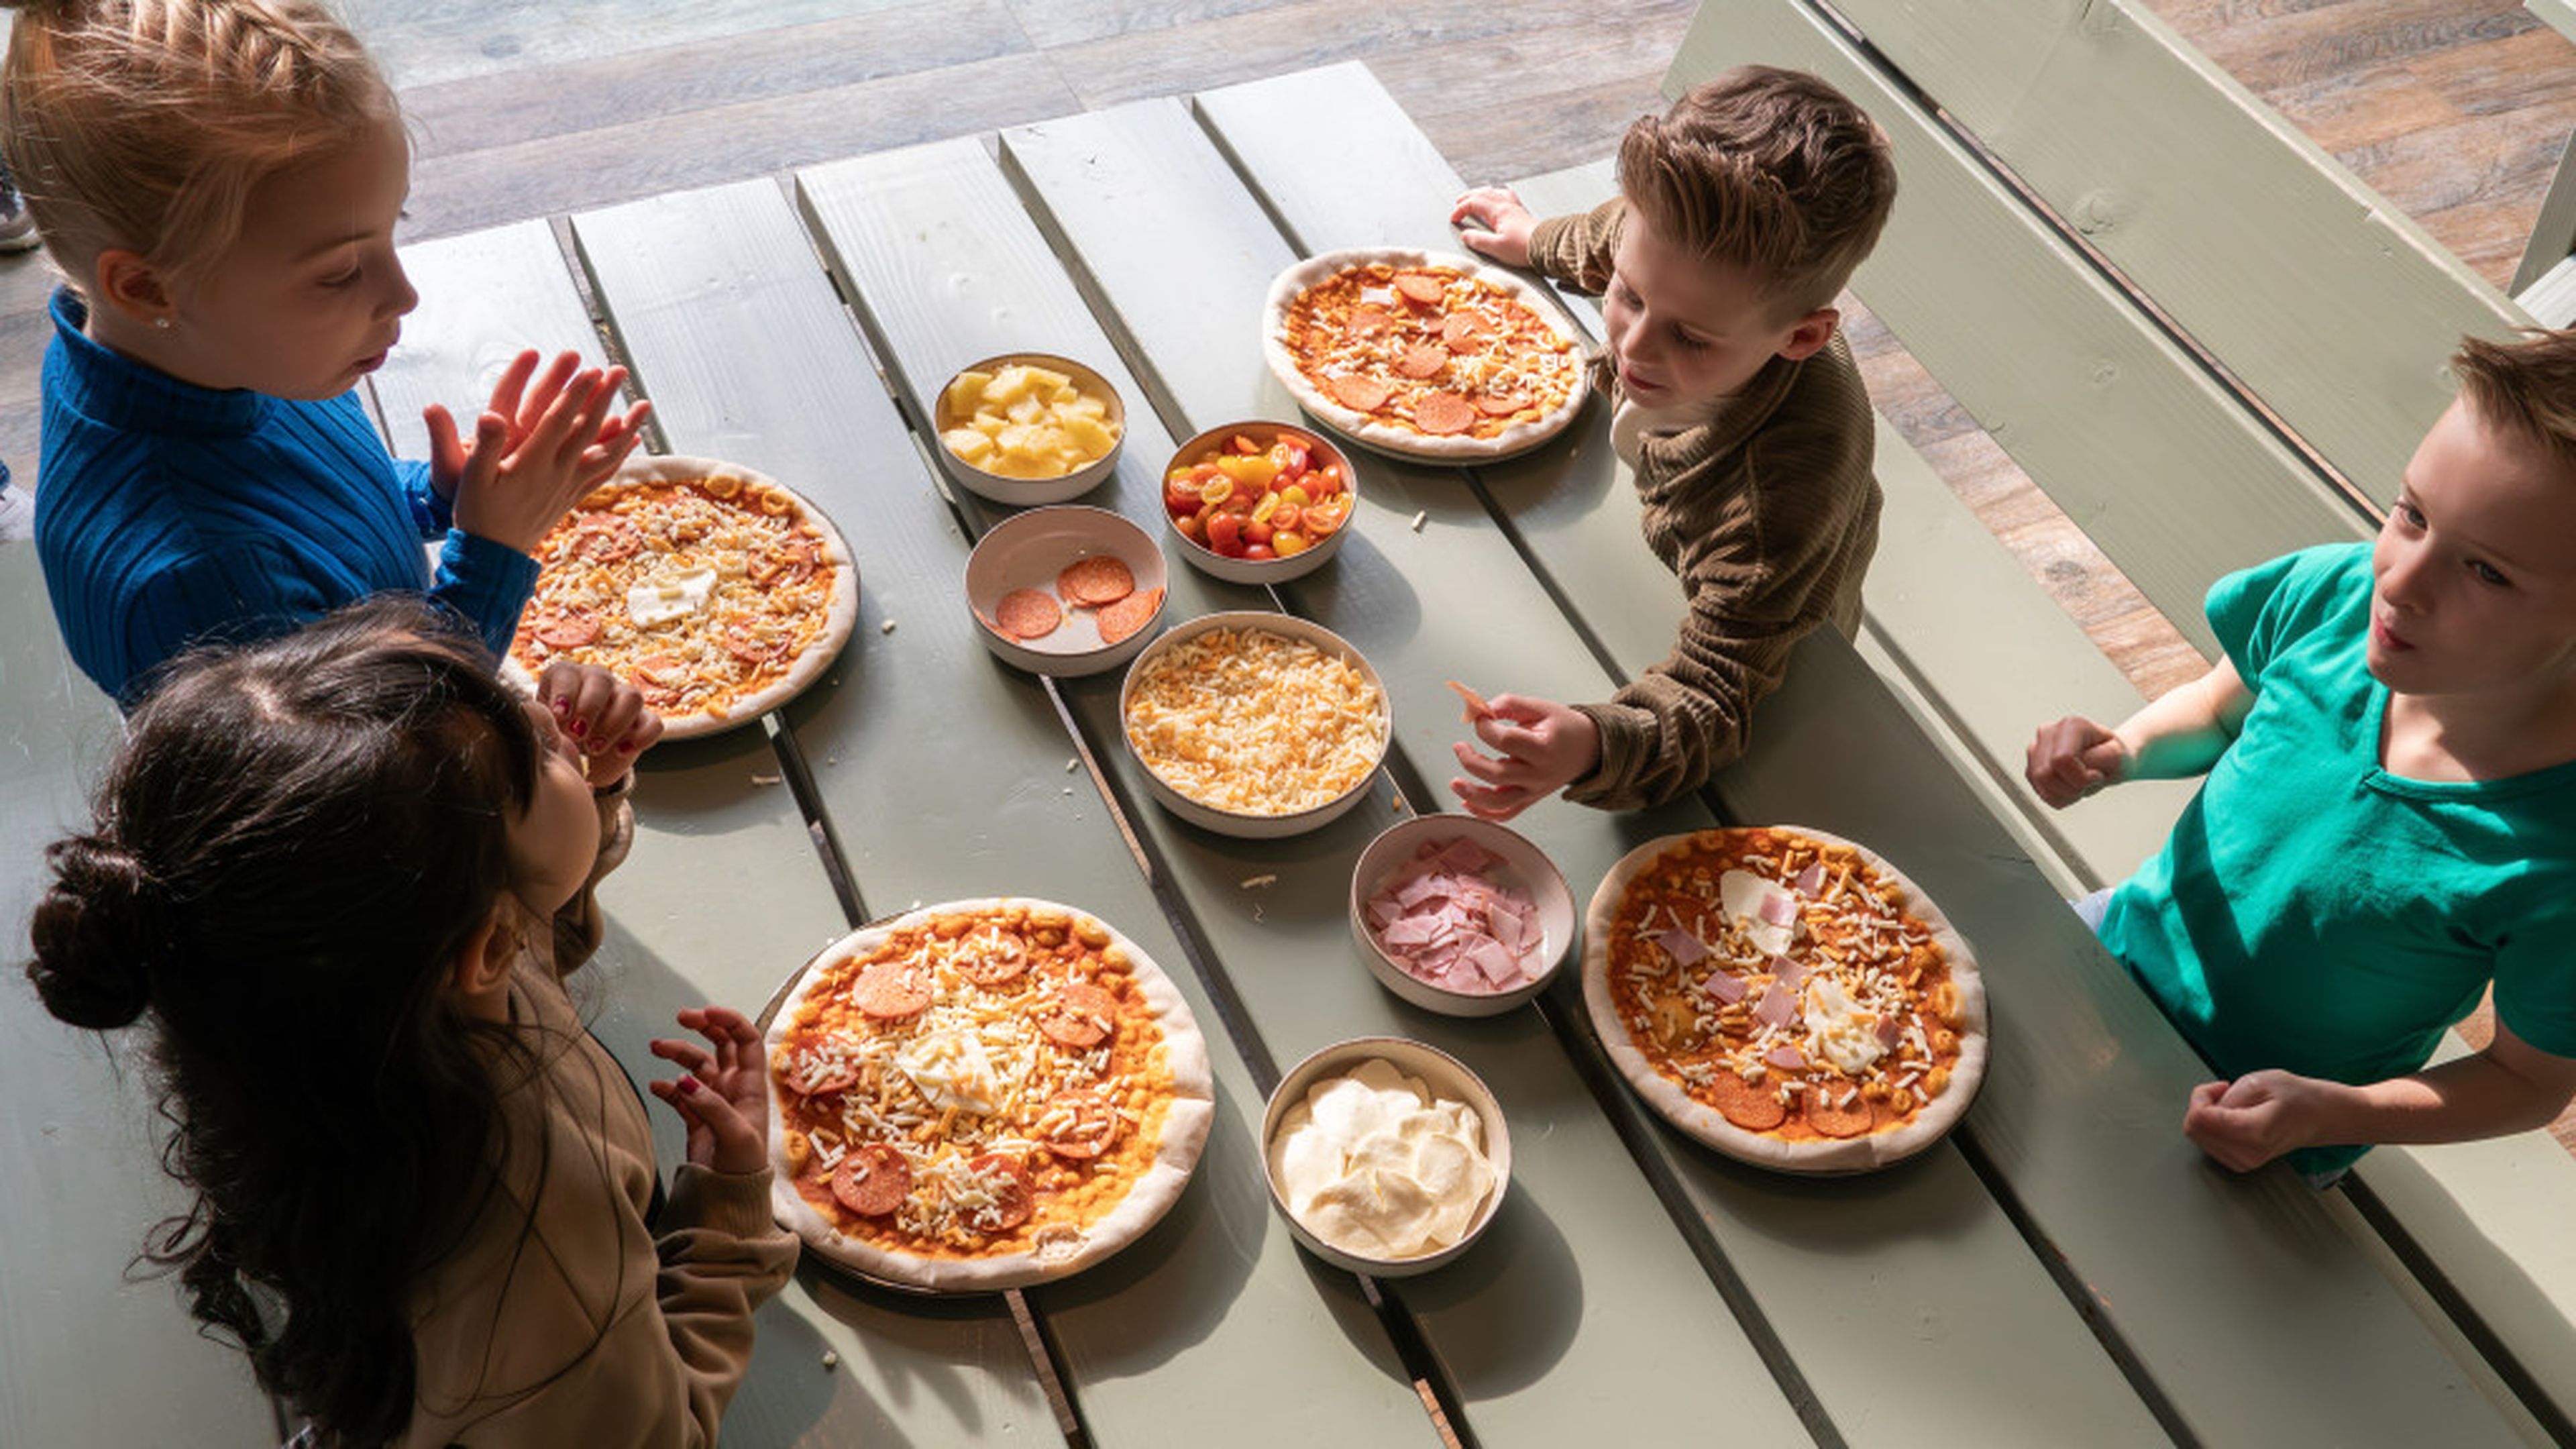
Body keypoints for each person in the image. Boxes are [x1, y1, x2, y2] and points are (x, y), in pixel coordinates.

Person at [24, 598, 796, 1447]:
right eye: (531, 754)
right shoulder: (533, 1254)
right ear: (485, 941)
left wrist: (591, 785)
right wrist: (724, 1223)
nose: (542, 705)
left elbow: (522, 948)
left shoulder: (303, 1007)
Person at [2025, 329, 2576, 1182]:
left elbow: (2527, 1082)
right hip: (2113, 952)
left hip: (2258, 1129)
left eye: (2488, 573)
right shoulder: (2340, 596)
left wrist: (2333, 1111)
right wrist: (2123, 749)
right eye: (2414, 515)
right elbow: (2216, 708)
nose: (2401, 581)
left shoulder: (2555, 858)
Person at [0, 0, 651, 707]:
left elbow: (319, 529)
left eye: (391, 228)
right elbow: (391, 747)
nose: (403, 295)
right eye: (340, 271)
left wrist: (437, 494)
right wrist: (493, 549)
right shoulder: (200, 584)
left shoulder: (222, 353)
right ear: (147, 287)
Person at [1442, 65, 1896, 820]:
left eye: (1689, 337)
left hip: (1770, 624)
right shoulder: (1674, 256)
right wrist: (1537, 241)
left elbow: (1717, 695)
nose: (1635, 349)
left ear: (1803, 336)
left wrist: (1594, 742)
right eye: (1628, 296)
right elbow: (1612, 234)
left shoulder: (1771, 516)